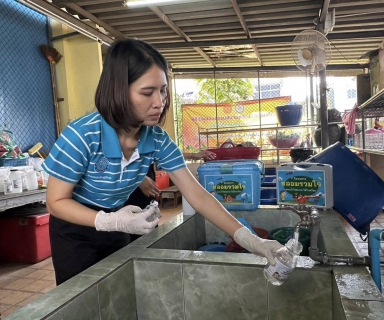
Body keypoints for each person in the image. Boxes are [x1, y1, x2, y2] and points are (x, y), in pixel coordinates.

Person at [42, 39, 281, 285]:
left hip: (120, 222)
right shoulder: (81, 135)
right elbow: (56, 201)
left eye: (163, 90)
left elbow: (197, 196)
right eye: (147, 92)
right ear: (118, 91)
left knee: (117, 292)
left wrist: (252, 240)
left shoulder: (156, 139)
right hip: (75, 230)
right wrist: (108, 220)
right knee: (81, 300)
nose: (160, 102)